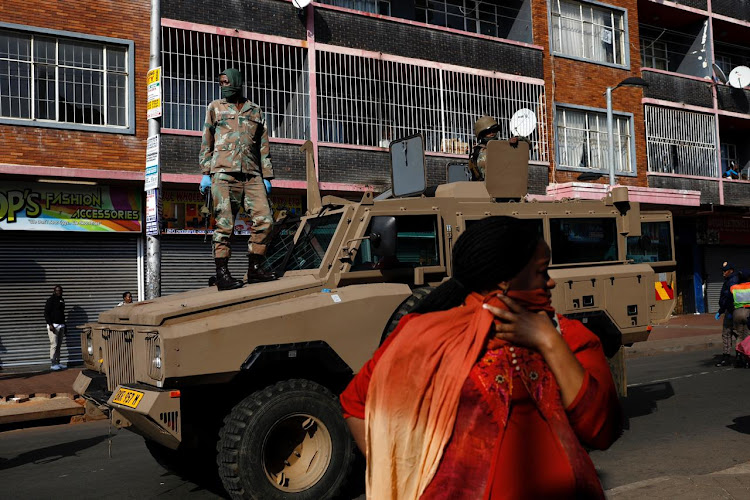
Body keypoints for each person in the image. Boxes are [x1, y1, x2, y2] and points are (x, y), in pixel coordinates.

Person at [340, 216, 622, 500]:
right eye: (541, 272)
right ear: (504, 279)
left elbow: (602, 429)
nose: (550, 283)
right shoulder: (423, 335)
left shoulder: (568, 336)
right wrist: (405, 472)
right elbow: (356, 405)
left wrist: (548, 341)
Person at [199, 68, 277, 291]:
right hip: (223, 174)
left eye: (226, 81)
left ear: (237, 82)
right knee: (224, 225)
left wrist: (267, 176)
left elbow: (263, 147)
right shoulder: (215, 107)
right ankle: (222, 274)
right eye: (220, 82)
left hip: (252, 175)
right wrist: (206, 173)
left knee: (265, 221)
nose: (223, 85)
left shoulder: (255, 110)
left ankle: (255, 269)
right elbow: (207, 141)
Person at [716, 261, 741, 367]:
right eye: (722, 271)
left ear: (731, 271)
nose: (723, 273)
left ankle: (727, 358)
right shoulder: (730, 279)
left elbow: (729, 298)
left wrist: (722, 310)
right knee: (738, 334)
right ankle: (741, 356)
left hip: (732, 311)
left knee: (727, 333)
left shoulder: (732, 281)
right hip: (734, 311)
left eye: (725, 271)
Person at [468, 115, 500, 181]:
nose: (492, 134)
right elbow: (489, 177)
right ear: (482, 134)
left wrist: (518, 139)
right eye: (488, 132)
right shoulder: (482, 152)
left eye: (494, 130)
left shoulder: (500, 146)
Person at [44, 285, 66, 371]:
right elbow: (46, 313)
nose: (59, 292)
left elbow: (62, 313)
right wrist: (50, 324)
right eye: (57, 290)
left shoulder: (62, 300)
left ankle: (58, 362)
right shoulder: (50, 300)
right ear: (54, 291)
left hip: (61, 325)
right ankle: (53, 363)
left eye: (60, 290)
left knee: (59, 346)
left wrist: (65, 325)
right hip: (53, 326)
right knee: (54, 345)